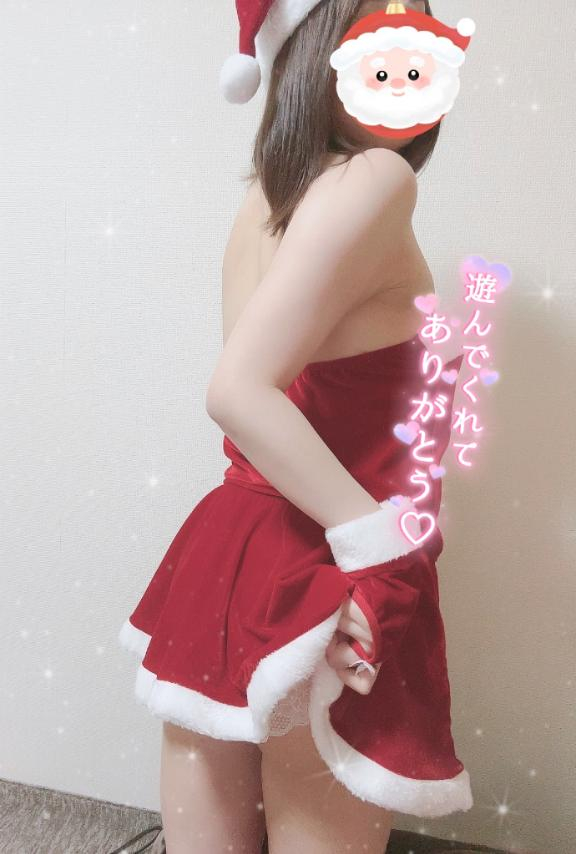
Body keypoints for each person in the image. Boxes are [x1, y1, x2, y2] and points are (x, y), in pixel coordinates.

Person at [116, 1, 474, 852]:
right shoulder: (377, 180)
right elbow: (240, 391)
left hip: (233, 551)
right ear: (317, 52)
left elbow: (262, 400)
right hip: (326, 574)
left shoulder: (265, 198)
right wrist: (382, 557)